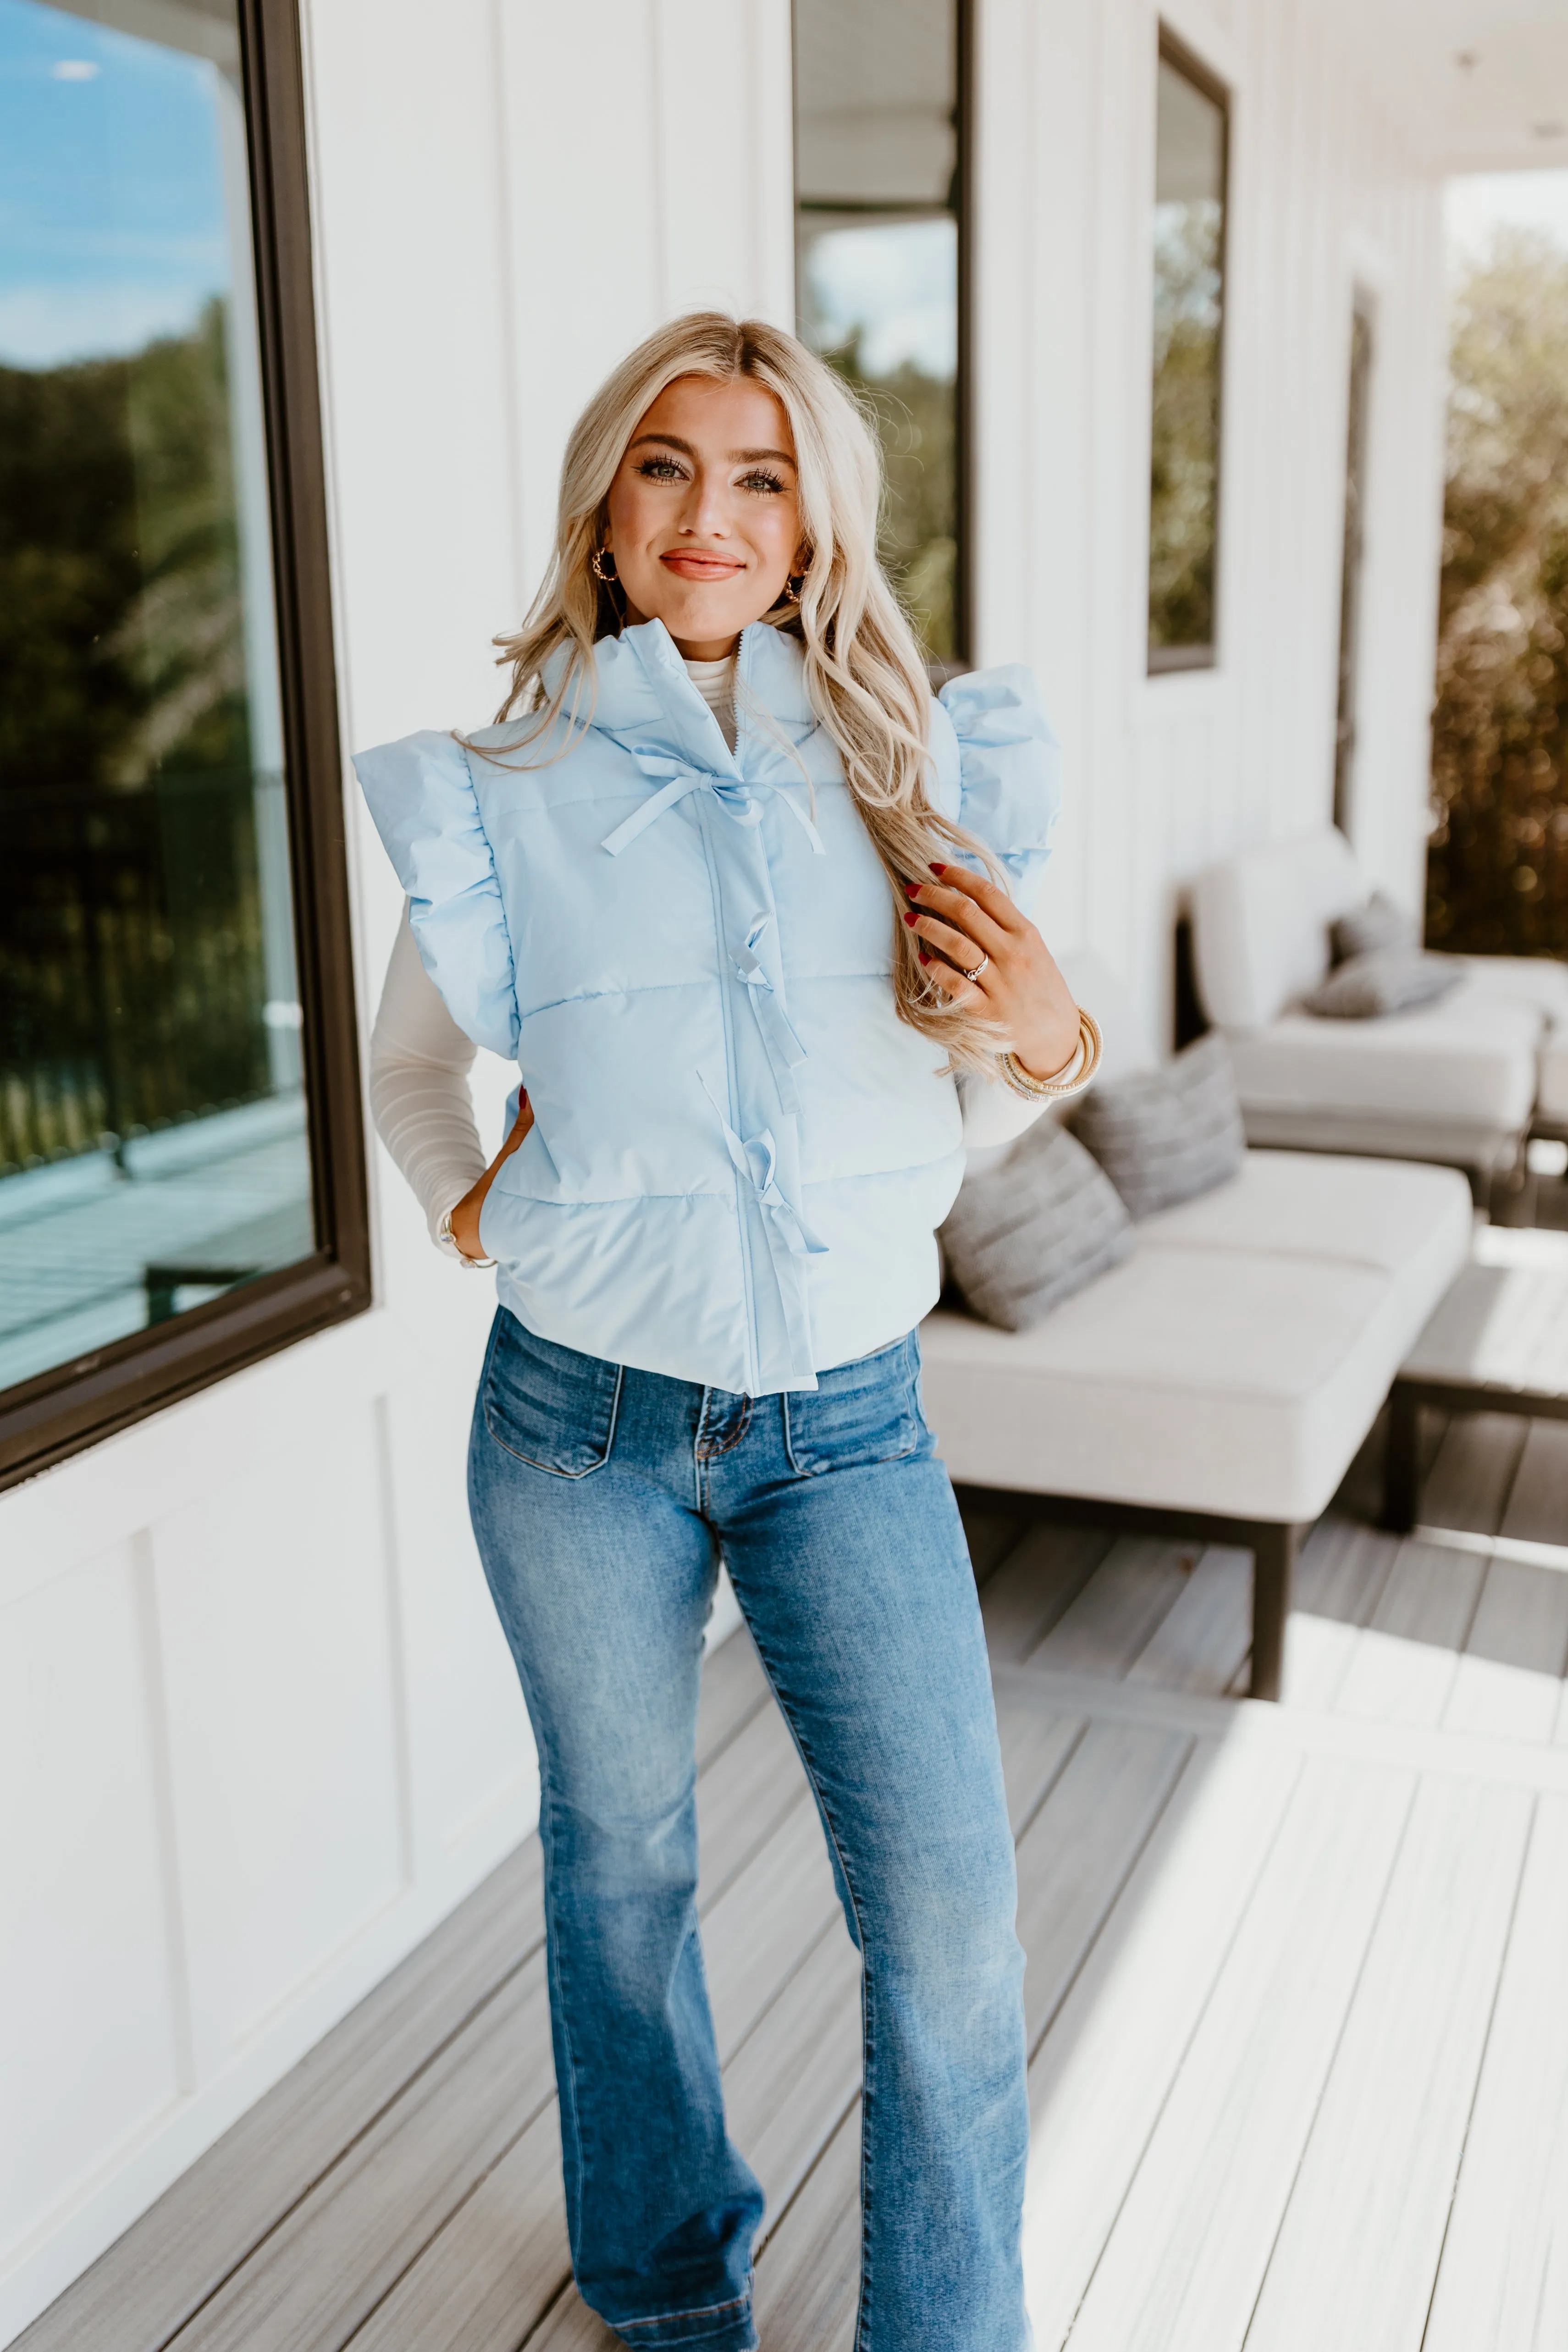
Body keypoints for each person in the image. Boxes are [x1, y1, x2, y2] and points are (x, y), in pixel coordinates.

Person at [356, 311, 1096, 2352]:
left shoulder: (904, 758)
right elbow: (415, 1070)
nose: (714, 512)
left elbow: (997, 1063)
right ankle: (671, 2285)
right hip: (578, 1424)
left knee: (947, 1923)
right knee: (623, 1868)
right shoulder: (505, 786)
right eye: (670, 466)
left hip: (849, 1423)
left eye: (762, 474)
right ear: (609, 505)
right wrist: (468, 1202)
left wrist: (1049, 1030)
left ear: (813, 520)